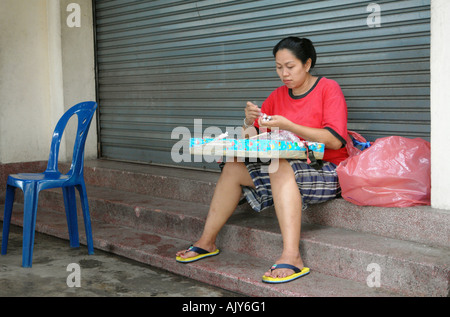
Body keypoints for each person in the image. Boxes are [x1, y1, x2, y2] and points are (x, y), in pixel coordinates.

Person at [176, 36, 349, 284]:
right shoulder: (278, 96)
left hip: (327, 170)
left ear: (307, 64)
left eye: (290, 67)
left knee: (279, 167)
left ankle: (293, 257)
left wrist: (290, 125)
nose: (284, 74)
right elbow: (251, 138)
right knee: (235, 167)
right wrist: (248, 121)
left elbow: (335, 140)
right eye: (279, 67)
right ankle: (206, 241)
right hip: (287, 169)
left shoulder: (328, 88)